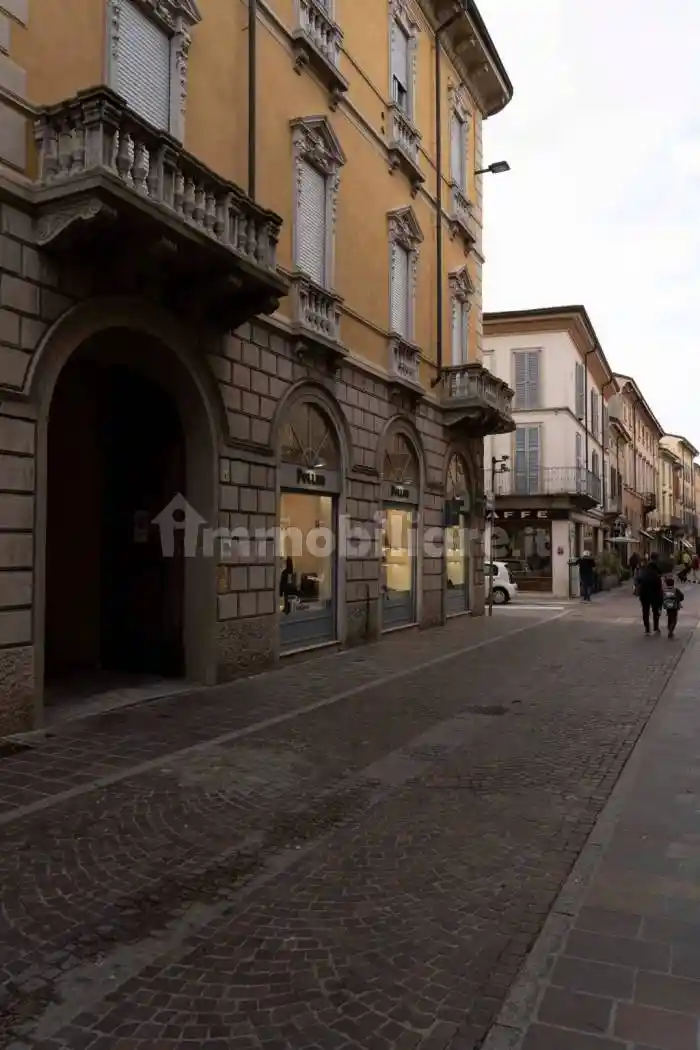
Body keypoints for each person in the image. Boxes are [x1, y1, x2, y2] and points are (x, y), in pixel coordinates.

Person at [636, 552, 663, 634]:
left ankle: (647, 628)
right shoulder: (656, 574)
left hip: (644, 594)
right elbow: (659, 587)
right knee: (655, 611)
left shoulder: (644, 570)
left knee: (645, 611)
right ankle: (656, 627)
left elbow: (638, 580)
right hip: (654, 594)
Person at [662, 574, 684, 638]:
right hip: (674, 607)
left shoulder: (665, 591)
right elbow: (682, 596)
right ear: (673, 584)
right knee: (674, 620)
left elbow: (662, 598)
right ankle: (671, 630)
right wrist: (679, 600)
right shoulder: (676, 590)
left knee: (669, 618)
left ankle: (669, 628)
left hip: (668, 607)